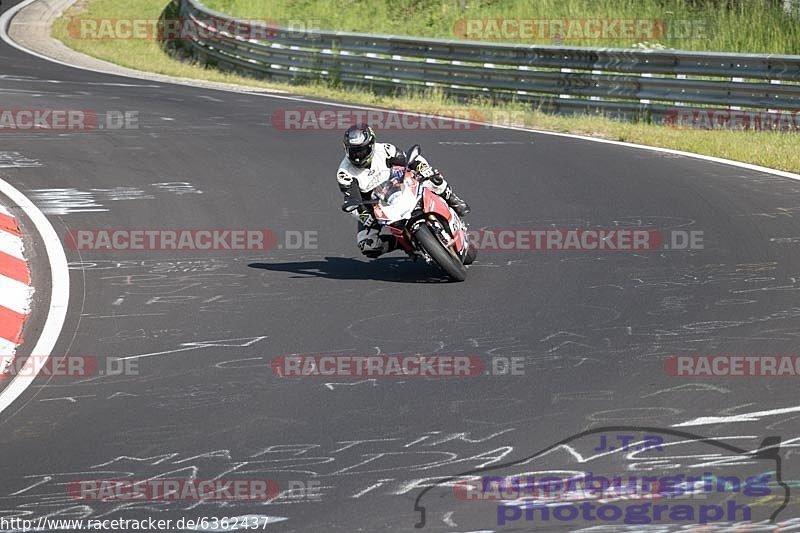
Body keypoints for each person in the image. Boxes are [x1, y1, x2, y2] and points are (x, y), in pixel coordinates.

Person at [336, 123, 470, 257]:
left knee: (433, 178)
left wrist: (423, 168)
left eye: (362, 150)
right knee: (367, 246)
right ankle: (404, 242)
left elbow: (410, 160)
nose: (358, 156)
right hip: (375, 205)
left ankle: (453, 199)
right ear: (346, 150)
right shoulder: (344, 173)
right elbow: (352, 200)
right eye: (353, 151)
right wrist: (365, 216)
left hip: (401, 186)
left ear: (371, 145)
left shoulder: (385, 150)